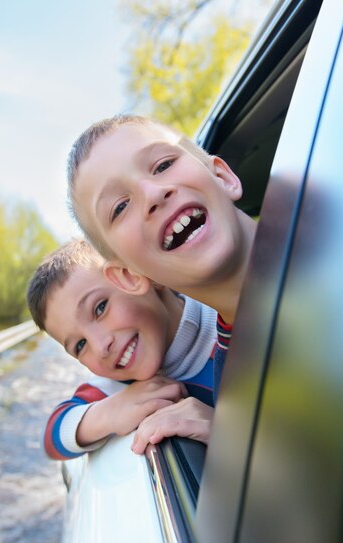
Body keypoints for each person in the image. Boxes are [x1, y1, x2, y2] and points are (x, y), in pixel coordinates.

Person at [66, 114, 258, 401]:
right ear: (130, 276)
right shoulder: (236, 396)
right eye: (120, 207)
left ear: (222, 177)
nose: (153, 194)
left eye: (163, 165)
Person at [27, 238, 221, 460]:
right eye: (81, 345)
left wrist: (224, 434)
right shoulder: (123, 389)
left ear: (140, 275)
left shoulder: (229, 320)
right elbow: (53, 436)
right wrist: (109, 413)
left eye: (100, 308)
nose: (101, 347)